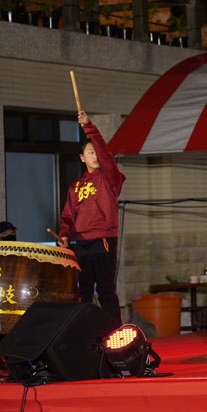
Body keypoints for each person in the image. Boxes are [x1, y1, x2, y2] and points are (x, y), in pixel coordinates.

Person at [56, 111, 126, 327]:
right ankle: (84, 330)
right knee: (83, 291)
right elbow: (68, 215)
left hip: (104, 239)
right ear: (82, 157)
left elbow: (105, 154)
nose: (95, 155)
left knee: (105, 290)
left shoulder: (109, 178)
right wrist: (65, 235)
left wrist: (89, 127)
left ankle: (115, 332)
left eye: (97, 152)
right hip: (82, 243)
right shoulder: (75, 186)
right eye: (90, 152)